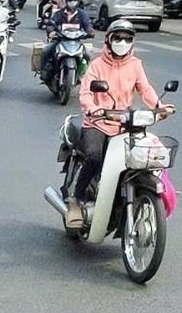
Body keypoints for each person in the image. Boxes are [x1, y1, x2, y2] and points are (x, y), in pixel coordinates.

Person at [66, 18, 175, 227]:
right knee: (95, 158)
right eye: (118, 38)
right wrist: (93, 108)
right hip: (98, 122)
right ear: (109, 39)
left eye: (127, 39)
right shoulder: (97, 65)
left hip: (124, 124)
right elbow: (86, 93)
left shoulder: (135, 65)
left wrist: (159, 106)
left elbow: (145, 89)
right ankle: (76, 199)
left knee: (136, 162)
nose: (122, 42)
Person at [41, 0, 94, 87]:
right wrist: (51, 31)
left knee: (87, 55)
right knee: (46, 51)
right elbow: (51, 24)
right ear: (66, 1)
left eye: (75, 0)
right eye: (70, 0)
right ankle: (44, 71)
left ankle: (81, 74)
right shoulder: (58, 14)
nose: (72, 3)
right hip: (60, 41)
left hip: (76, 42)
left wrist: (90, 32)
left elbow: (88, 25)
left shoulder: (82, 14)